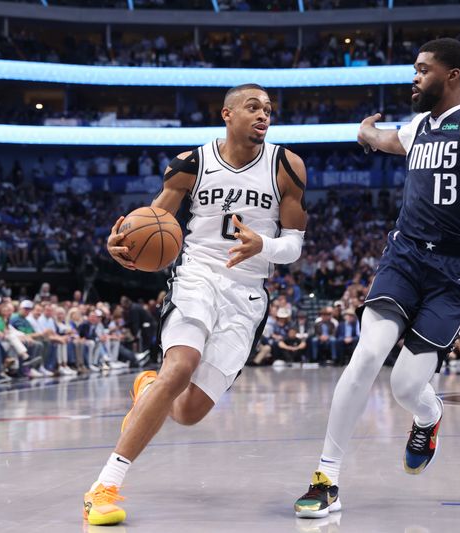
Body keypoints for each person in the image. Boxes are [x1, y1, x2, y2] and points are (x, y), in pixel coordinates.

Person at [294, 0, 460, 518]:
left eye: (423, 69)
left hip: (456, 271)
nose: (414, 77)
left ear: (452, 74)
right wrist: (365, 134)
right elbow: (388, 138)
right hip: (406, 257)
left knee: (405, 387)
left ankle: (429, 413)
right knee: (367, 355)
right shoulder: (418, 127)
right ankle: (326, 477)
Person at [82, 83, 308, 525]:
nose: (264, 115)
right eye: (253, 107)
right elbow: (150, 228)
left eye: (268, 109)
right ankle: (104, 487)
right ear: (227, 114)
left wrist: (265, 243)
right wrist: (121, 246)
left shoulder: (287, 165)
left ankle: (148, 389)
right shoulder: (192, 163)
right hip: (197, 275)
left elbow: (295, 245)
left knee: (186, 412)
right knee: (180, 365)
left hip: (247, 293)